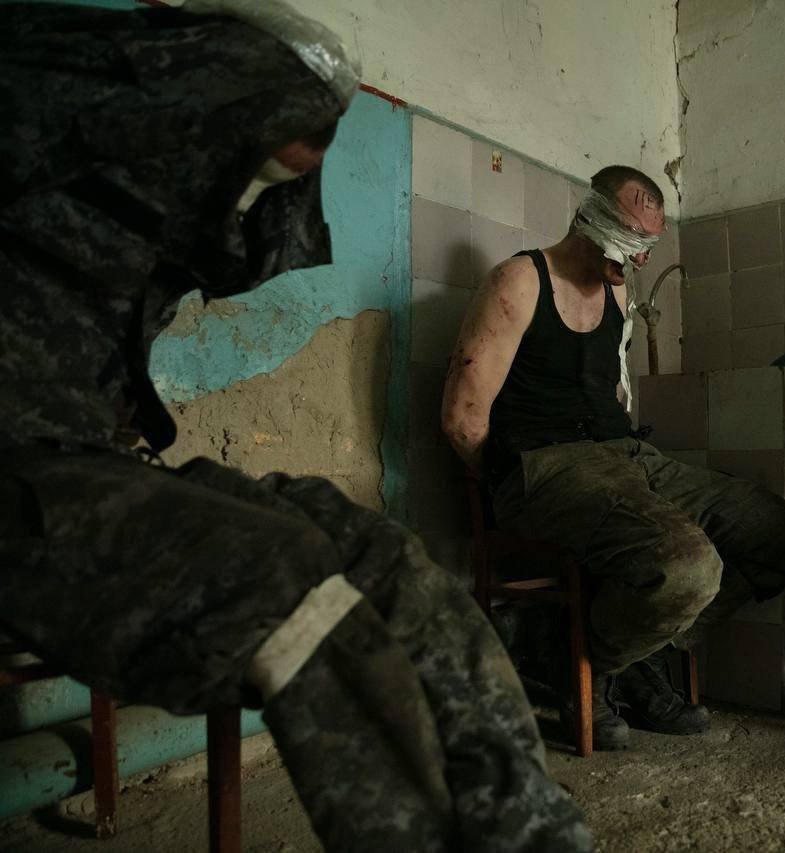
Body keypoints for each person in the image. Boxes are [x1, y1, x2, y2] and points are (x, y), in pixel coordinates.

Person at [0, 3, 590, 850]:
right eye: (259, 160)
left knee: (385, 557)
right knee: (279, 570)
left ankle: (529, 834)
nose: (253, 195)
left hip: (88, 462)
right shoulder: (39, 106)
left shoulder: (128, 222)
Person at [441, 165, 785, 750]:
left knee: (776, 531)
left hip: (628, 456)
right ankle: (587, 669)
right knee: (688, 566)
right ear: (591, 218)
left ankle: (616, 652)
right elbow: (463, 419)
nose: (640, 259)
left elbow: (611, 392)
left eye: (649, 246)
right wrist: (516, 491)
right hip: (546, 464)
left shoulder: (616, 293)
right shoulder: (519, 281)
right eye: (633, 240)